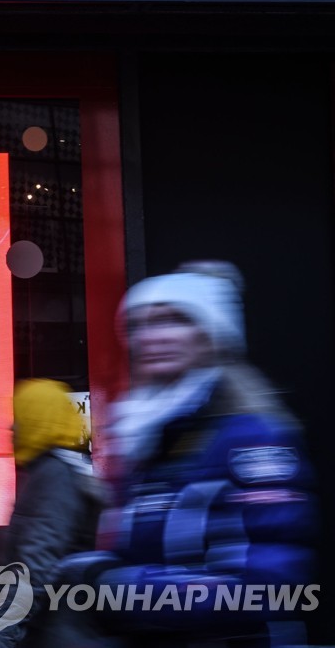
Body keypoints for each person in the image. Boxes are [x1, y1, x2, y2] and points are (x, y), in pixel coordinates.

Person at [58, 261, 318, 648]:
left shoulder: (253, 439)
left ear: (212, 334)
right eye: (138, 325)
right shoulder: (143, 440)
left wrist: (114, 585)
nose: (152, 336)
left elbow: (266, 587)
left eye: (174, 320)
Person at [0, 378, 106, 648]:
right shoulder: (52, 471)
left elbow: (34, 571)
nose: (12, 427)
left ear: (38, 420)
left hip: (54, 635)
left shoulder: (53, 476)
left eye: (20, 416)